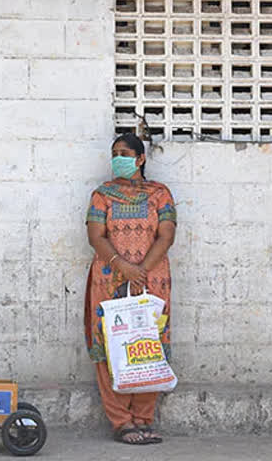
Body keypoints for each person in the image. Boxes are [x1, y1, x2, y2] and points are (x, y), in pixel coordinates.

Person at [84, 133, 176, 445]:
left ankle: (143, 418)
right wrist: (124, 267)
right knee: (110, 347)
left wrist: (141, 270)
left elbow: (166, 236)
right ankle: (122, 421)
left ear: (140, 159)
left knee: (148, 346)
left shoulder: (160, 194)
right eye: (114, 153)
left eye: (125, 153)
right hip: (109, 278)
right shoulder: (102, 195)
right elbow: (96, 236)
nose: (118, 158)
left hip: (152, 279)